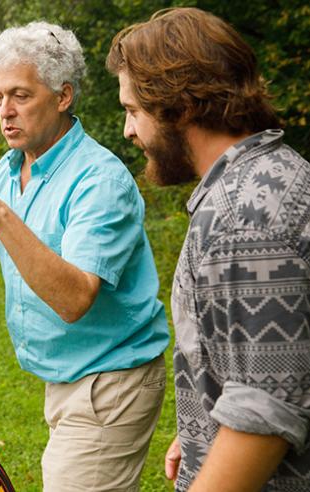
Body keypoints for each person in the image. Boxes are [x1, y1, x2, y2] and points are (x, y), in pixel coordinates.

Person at [0, 21, 170, 491]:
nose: (5, 112)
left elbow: (74, 298)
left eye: (20, 95)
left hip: (110, 381)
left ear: (62, 96)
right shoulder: (11, 166)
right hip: (67, 380)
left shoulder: (99, 180)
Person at [106, 7, 310, 491]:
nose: (128, 131)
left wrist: (224, 449)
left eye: (133, 111)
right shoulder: (277, 174)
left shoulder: (245, 217)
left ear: (180, 105)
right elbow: (272, 358)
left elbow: (262, 415)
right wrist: (202, 427)